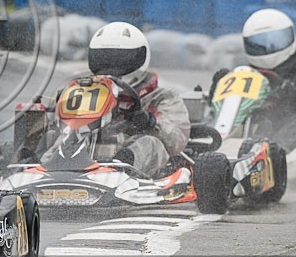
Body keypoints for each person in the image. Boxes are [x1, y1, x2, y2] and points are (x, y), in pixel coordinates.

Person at [40, 22, 191, 177]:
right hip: (87, 152)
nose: (112, 68)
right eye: (104, 61)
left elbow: (177, 139)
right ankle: (44, 170)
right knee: (61, 135)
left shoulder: (162, 97)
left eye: (120, 62)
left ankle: (120, 172)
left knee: (151, 143)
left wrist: (150, 122)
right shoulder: (86, 92)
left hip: (132, 158)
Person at [210, 9, 296, 152]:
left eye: (275, 40)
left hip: (288, 141)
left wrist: (290, 100)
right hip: (245, 133)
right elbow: (221, 118)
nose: (268, 47)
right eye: (259, 43)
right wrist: (219, 95)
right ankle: (209, 148)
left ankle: (272, 154)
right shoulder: (244, 76)